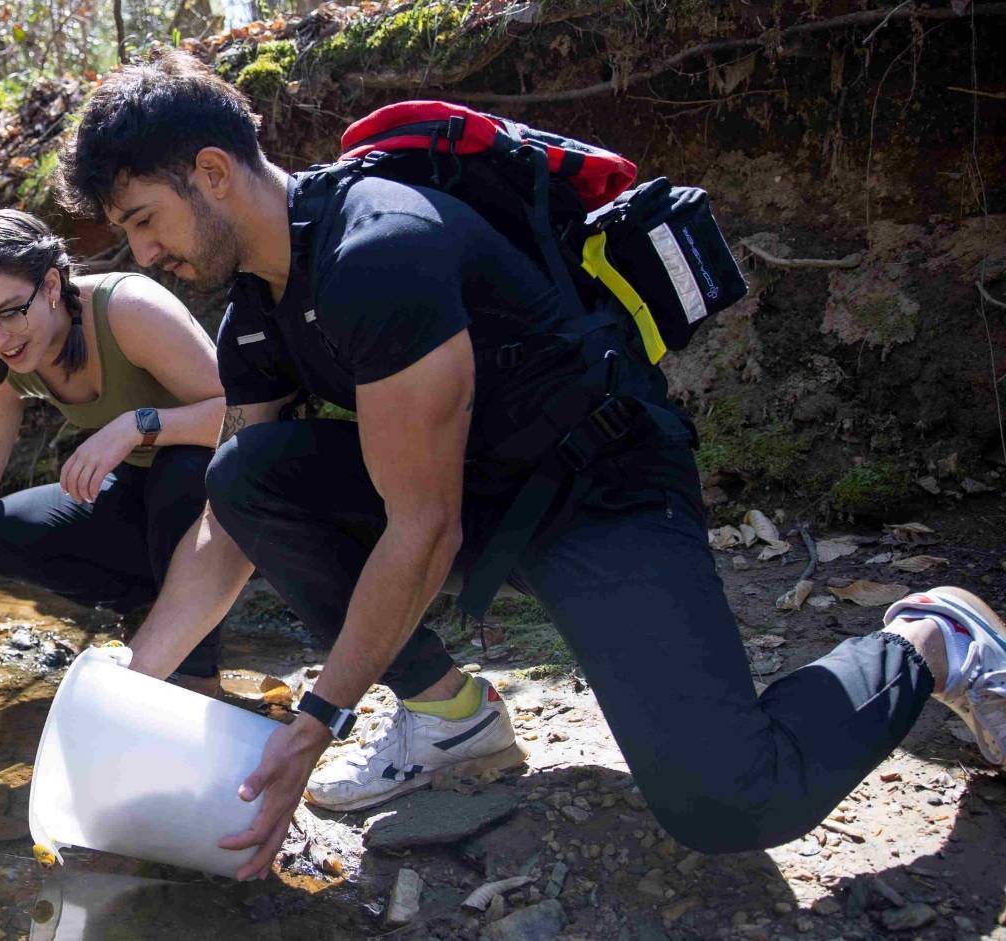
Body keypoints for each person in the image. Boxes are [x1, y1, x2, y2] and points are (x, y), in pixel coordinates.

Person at [56, 51, 1006, 881]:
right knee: (245, 474)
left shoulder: (375, 247)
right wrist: (129, 701)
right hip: (474, 489)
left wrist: (317, 721)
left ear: (212, 172)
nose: (143, 255)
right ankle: (453, 719)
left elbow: (423, 531)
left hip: (600, 488)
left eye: (145, 221)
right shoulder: (258, 312)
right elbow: (231, 527)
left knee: (731, 802)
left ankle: (934, 638)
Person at [0, 208, 231, 694]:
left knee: (182, 472)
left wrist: (138, 425)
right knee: (1, 531)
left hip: (223, 494)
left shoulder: (128, 309)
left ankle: (198, 679)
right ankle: (150, 611)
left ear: (51, 284)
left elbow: (245, 416)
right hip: (138, 496)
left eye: (9, 312)